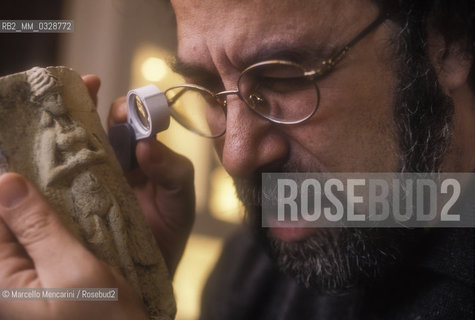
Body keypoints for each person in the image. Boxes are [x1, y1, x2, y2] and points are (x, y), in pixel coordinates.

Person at [0, 0, 473, 319]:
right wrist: (135, 284)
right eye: (207, 89)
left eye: (285, 78)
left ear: (446, 45)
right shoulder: (251, 269)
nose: (238, 154)